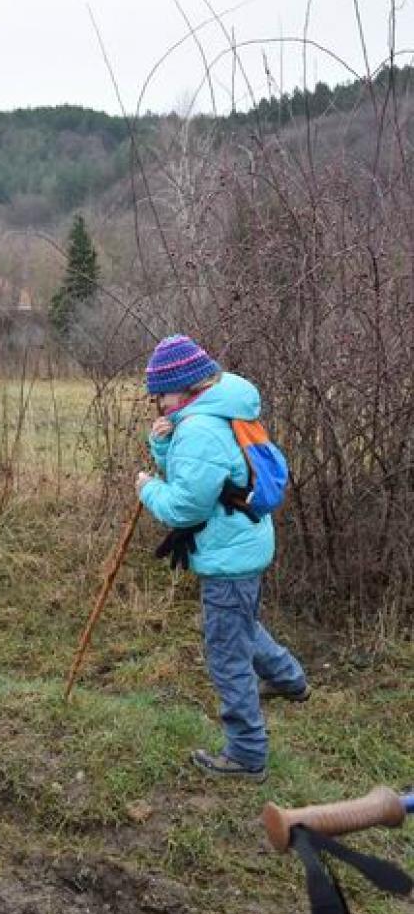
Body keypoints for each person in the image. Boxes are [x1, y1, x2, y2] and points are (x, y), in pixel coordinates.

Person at [136, 335, 309, 783]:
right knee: (242, 624)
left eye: (161, 391)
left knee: (226, 652)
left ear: (187, 386)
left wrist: (146, 487)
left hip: (228, 555)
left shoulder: (199, 428)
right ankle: (289, 679)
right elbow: (198, 472)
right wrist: (161, 446)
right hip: (246, 542)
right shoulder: (223, 406)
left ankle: (247, 754)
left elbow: (183, 506)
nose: (156, 400)